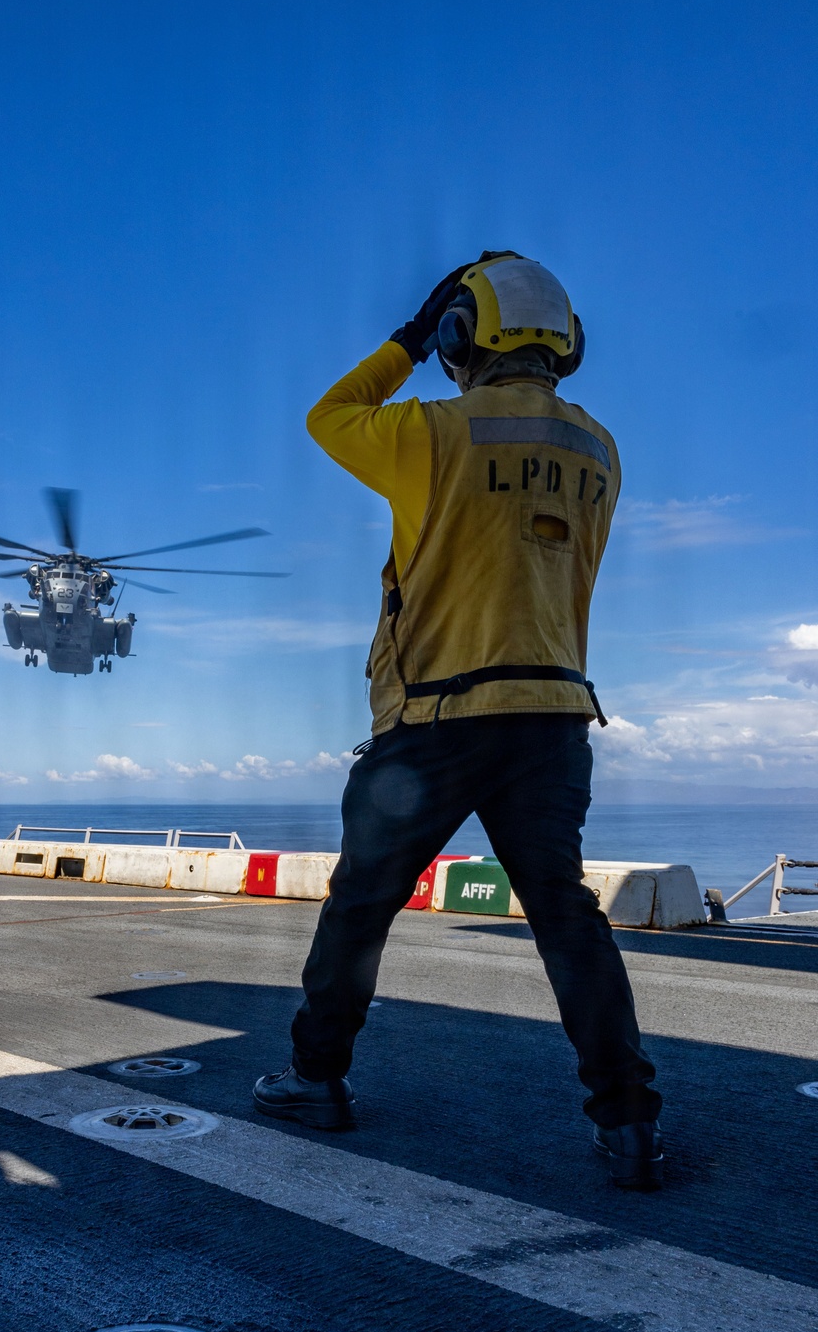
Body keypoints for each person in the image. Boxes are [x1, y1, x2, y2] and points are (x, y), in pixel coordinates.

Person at [253, 251, 663, 1190]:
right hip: (554, 718)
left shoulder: (434, 433)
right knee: (567, 918)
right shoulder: (599, 448)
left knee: (361, 908)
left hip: (436, 719)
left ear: (458, 336)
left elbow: (328, 418)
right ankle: (629, 1122)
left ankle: (318, 1079)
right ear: (568, 345)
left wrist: (403, 339)